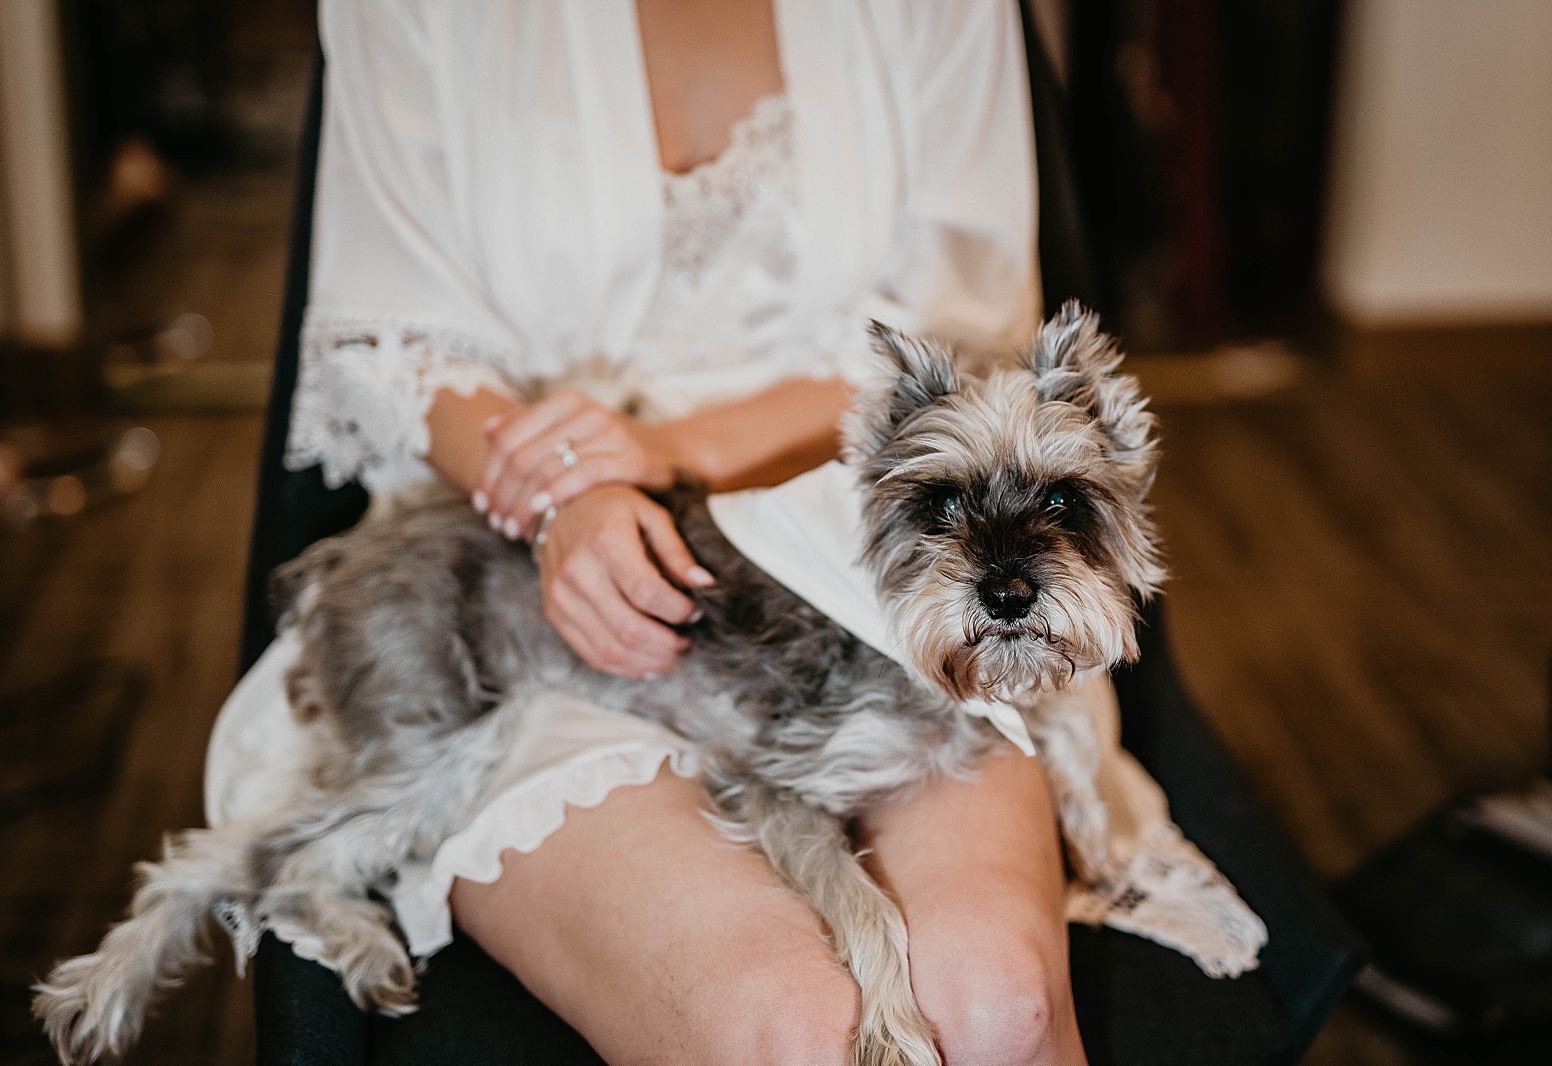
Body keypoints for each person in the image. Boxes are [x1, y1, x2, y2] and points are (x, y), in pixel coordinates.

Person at [208, 2, 1211, 1062]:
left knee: (997, 1003)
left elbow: (963, 330)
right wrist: (564, 497)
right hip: (525, 579)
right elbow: (386, 340)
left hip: (878, 567)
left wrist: (669, 448)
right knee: (786, 1028)